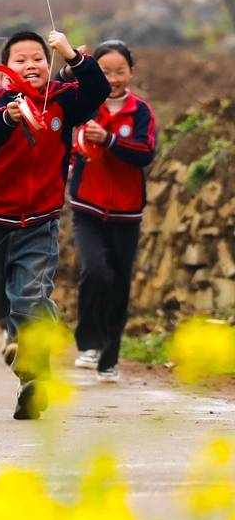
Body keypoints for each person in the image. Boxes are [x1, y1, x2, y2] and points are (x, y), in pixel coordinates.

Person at [0, 28, 110, 420]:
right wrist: (9, 116)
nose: (30, 65)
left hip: (40, 219)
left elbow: (97, 90)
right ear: (4, 71)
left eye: (38, 58)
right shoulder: (0, 99)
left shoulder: (64, 100)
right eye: (20, 60)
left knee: (30, 297)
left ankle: (33, 378)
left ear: (49, 65)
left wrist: (73, 56)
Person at [69, 40, 157, 382]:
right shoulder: (85, 107)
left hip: (126, 212)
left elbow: (144, 153)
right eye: (105, 72)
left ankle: (109, 358)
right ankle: (88, 342)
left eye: (120, 71)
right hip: (86, 208)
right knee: (95, 272)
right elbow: (71, 145)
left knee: (119, 283)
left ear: (131, 73)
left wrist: (108, 140)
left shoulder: (142, 112)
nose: (114, 78)